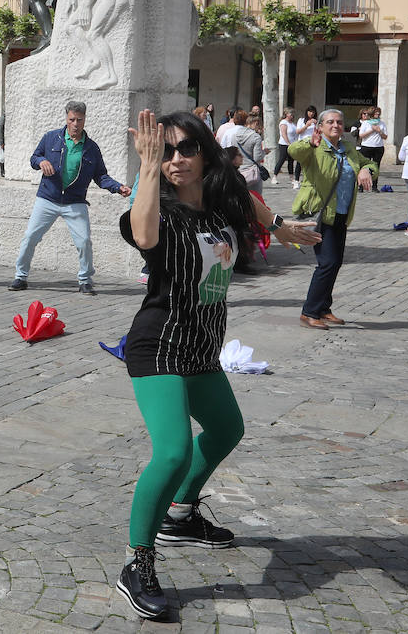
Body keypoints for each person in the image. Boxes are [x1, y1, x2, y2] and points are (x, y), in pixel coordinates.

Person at [115, 109, 318, 620]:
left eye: (186, 149)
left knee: (227, 428)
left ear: (205, 152)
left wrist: (282, 225)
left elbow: (244, 198)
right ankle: (137, 562)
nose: (176, 159)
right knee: (173, 452)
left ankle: (180, 515)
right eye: (167, 152)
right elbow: (141, 236)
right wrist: (145, 168)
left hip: (202, 347)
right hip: (158, 345)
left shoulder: (220, 206)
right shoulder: (156, 208)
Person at [7, 100, 131, 295]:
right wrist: (42, 161)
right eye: (72, 119)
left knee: (83, 241)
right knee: (30, 237)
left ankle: (85, 280)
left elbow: (101, 176)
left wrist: (118, 187)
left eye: (79, 120)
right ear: (66, 118)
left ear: (84, 120)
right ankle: (20, 277)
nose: (75, 124)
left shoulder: (91, 148)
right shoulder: (50, 138)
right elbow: (34, 158)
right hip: (47, 198)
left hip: (75, 202)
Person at [288, 107, 376, 329]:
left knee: (335, 263)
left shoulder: (348, 148)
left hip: (342, 213)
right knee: (327, 263)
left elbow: (369, 162)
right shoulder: (314, 147)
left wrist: (366, 170)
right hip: (320, 214)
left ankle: (324, 308)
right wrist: (310, 142)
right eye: (330, 122)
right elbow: (293, 151)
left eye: (339, 122)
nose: (336, 125)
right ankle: (309, 311)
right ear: (320, 126)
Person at [222, 110, 265, 197]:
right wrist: (264, 152)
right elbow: (257, 158)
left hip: (237, 170)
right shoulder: (255, 137)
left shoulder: (233, 134)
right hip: (251, 172)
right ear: (256, 123)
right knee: (255, 198)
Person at [356, 106, 387, 180]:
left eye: (379, 113)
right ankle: (361, 185)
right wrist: (372, 130)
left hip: (378, 147)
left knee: (376, 166)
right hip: (366, 147)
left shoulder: (382, 123)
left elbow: (385, 137)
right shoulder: (366, 123)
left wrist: (380, 131)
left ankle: (374, 185)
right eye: (376, 113)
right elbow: (361, 135)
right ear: (372, 113)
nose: (378, 114)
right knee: (364, 165)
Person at [272, 107, 296, 185]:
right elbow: (284, 134)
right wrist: (288, 143)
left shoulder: (292, 123)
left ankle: (292, 177)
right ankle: (274, 176)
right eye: (290, 113)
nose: (292, 115)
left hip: (292, 143)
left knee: (291, 161)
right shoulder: (283, 122)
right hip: (284, 144)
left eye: (292, 113)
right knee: (281, 160)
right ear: (286, 114)